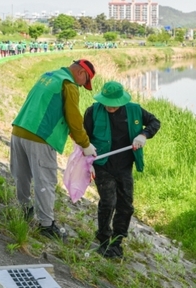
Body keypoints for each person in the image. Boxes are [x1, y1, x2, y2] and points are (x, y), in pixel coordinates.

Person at [10, 59, 97, 240]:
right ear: (81, 73)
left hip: (19, 130)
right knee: (45, 182)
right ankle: (46, 225)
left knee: (22, 176)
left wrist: (77, 139)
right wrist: (85, 144)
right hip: (41, 137)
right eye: (85, 81)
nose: (82, 86)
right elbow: (74, 120)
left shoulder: (49, 76)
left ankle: (23, 211)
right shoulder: (69, 85)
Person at [83, 81, 161, 258]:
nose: (110, 107)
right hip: (102, 165)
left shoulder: (135, 110)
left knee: (126, 205)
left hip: (124, 166)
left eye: (114, 104)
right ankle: (103, 241)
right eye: (107, 103)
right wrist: (87, 164)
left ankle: (117, 243)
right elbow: (83, 138)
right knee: (108, 202)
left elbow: (155, 122)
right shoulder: (93, 112)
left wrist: (143, 135)